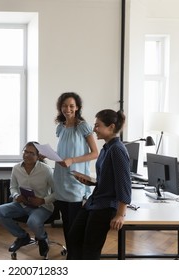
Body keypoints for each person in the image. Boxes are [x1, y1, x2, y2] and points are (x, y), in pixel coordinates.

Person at [67, 109, 132, 260]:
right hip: (95, 201)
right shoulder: (106, 148)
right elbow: (107, 178)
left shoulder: (117, 149)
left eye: (98, 125)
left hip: (105, 206)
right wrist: (89, 181)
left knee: (90, 248)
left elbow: (124, 183)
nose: (94, 129)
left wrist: (120, 214)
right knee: (74, 237)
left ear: (111, 127)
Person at [52, 92, 98, 258]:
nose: (68, 109)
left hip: (76, 180)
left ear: (77, 107)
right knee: (66, 222)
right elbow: (63, 151)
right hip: (60, 178)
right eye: (64, 106)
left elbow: (95, 153)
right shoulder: (60, 127)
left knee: (75, 224)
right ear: (60, 108)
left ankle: (76, 256)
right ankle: (72, 253)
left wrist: (73, 160)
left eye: (71, 106)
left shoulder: (83, 126)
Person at [0, 142, 56, 257]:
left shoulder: (46, 170)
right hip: (22, 204)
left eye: (31, 153)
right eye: (25, 152)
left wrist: (43, 200)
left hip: (41, 207)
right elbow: (13, 187)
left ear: (38, 156)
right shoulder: (16, 168)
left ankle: (42, 238)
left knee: (33, 222)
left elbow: (58, 192)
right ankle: (22, 237)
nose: (27, 155)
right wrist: (16, 196)